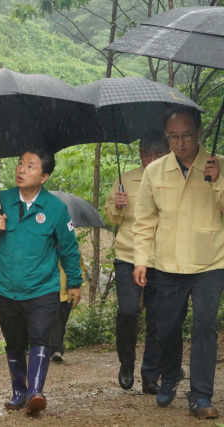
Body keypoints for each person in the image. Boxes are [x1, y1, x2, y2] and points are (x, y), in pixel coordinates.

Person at [133, 106, 224, 419]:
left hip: (210, 260)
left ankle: (200, 395)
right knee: (167, 327)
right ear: (166, 136)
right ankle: (170, 374)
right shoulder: (154, 172)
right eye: (173, 136)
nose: (181, 142)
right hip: (168, 263)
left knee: (204, 326)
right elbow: (144, 220)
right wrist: (141, 260)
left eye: (186, 135)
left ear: (199, 132)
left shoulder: (219, 167)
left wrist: (217, 181)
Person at [0, 148, 83, 415]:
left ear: (44, 176)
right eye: (20, 163)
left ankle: (36, 392)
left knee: (39, 337)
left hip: (42, 289)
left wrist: (74, 282)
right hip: (7, 289)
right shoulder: (1, 200)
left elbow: (69, 249)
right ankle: (18, 391)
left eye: (31, 166)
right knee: (14, 342)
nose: (22, 170)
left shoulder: (56, 209)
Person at [105, 131, 170, 394]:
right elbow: (111, 217)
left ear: (167, 154)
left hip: (162, 258)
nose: (151, 160)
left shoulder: (173, 178)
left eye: (157, 155)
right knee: (128, 311)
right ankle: (126, 363)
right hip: (128, 255)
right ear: (140, 154)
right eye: (146, 155)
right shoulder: (124, 180)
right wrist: (118, 206)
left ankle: (150, 375)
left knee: (157, 317)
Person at [49, 257, 87, 364]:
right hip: (48, 292)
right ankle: (56, 350)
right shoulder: (43, 243)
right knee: (54, 320)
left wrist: (75, 283)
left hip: (67, 294)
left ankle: (53, 350)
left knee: (61, 323)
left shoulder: (71, 247)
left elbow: (81, 267)